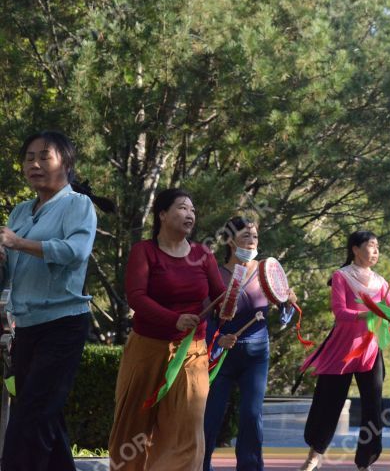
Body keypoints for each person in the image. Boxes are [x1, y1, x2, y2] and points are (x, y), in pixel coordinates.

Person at [108, 188, 231, 471]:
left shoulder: (203, 254)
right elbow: (136, 297)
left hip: (192, 352)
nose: (190, 214)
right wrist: (172, 319)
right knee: (133, 429)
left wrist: (230, 306)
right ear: (162, 214)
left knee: (186, 430)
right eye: (182, 208)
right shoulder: (144, 251)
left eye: (193, 210)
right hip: (147, 349)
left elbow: (220, 297)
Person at [0, 131, 101, 471]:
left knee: (31, 417)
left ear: (66, 164)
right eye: (29, 157)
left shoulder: (78, 205)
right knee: (46, 419)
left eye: (45, 156)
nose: (35, 164)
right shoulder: (20, 212)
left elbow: (76, 252)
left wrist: (18, 243)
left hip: (63, 324)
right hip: (26, 329)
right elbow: (10, 275)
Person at [203, 215, 296, 471]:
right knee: (211, 416)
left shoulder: (266, 270)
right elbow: (204, 317)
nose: (252, 241)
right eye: (246, 236)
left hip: (256, 353)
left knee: (251, 415)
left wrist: (288, 302)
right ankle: (200, 465)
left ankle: (251, 467)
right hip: (221, 354)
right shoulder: (216, 273)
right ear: (230, 240)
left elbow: (285, 313)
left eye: (255, 237)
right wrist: (217, 338)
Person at [298, 231, 388, 471]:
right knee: (328, 403)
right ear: (355, 249)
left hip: (370, 350)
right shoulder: (341, 276)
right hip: (341, 349)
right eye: (371, 246)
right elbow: (340, 312)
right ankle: (314, 456)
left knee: (373, 407)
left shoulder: (382, 282)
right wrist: (370, 313)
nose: (376, 251)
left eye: (378, 246)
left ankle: (364, 463)